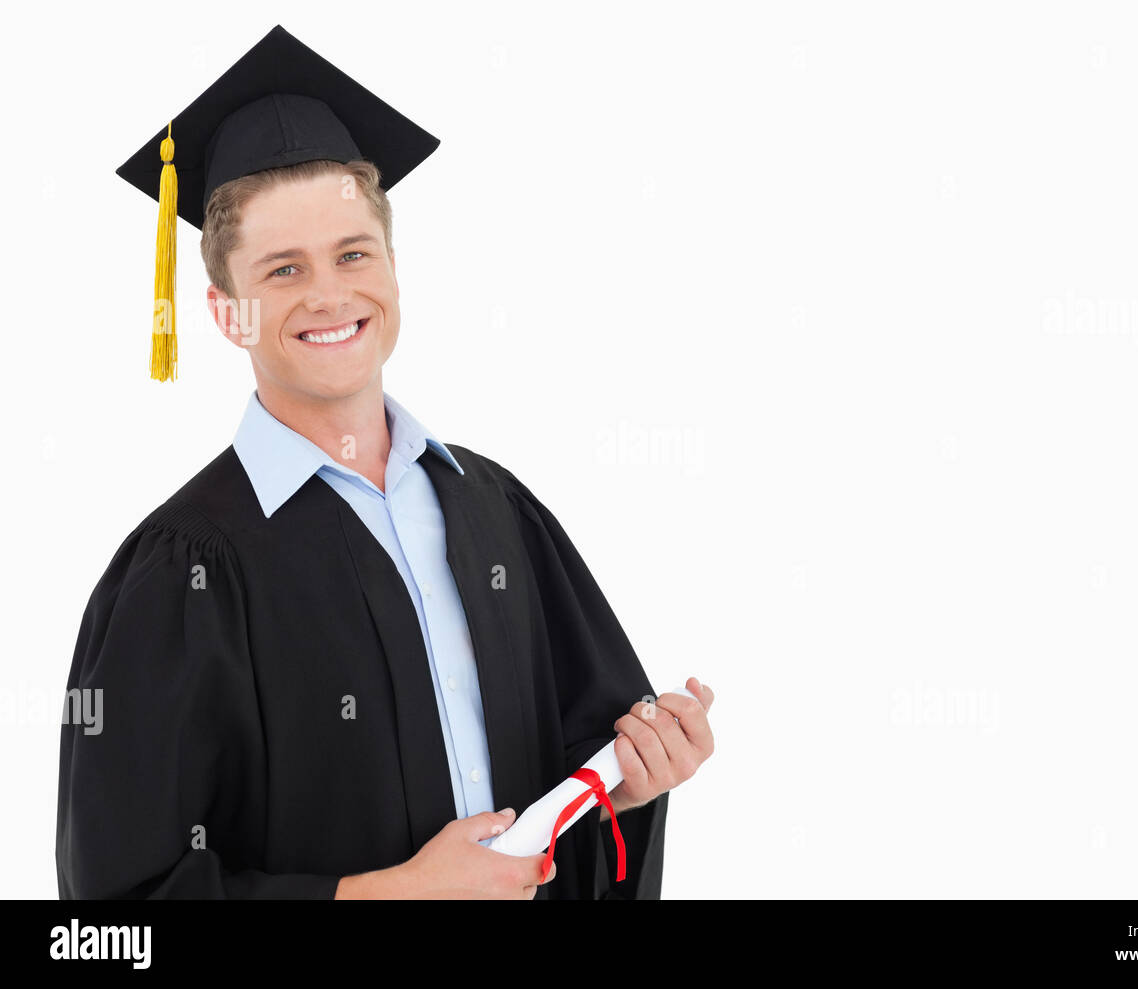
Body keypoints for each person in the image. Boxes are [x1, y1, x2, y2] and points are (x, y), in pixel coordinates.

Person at [55, 23, 714, 900]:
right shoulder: (182, 571)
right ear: (225, 313)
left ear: (394, 268)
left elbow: (574, 781)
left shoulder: (496, 509)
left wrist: (622, 788)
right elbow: (112, 917)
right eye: (282, 269)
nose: (330, 293)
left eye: (353, 253)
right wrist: (384, 894)